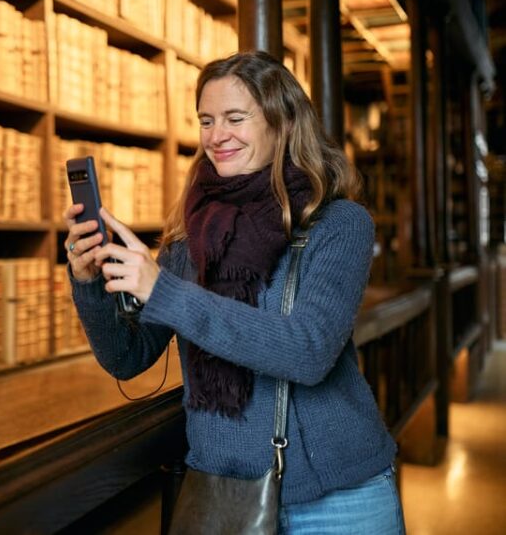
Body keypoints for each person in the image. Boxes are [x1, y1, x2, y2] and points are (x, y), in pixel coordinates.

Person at [63, 51, 404, 534]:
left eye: (234, 118)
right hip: (223, 492)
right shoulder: (191, 233)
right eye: (206, 120)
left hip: (339, 498)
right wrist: (89, 282)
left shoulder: (339, 223)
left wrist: (164, 291)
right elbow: (128, 357)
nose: (216, 135)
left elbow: (308, 351)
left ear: (281, 121)